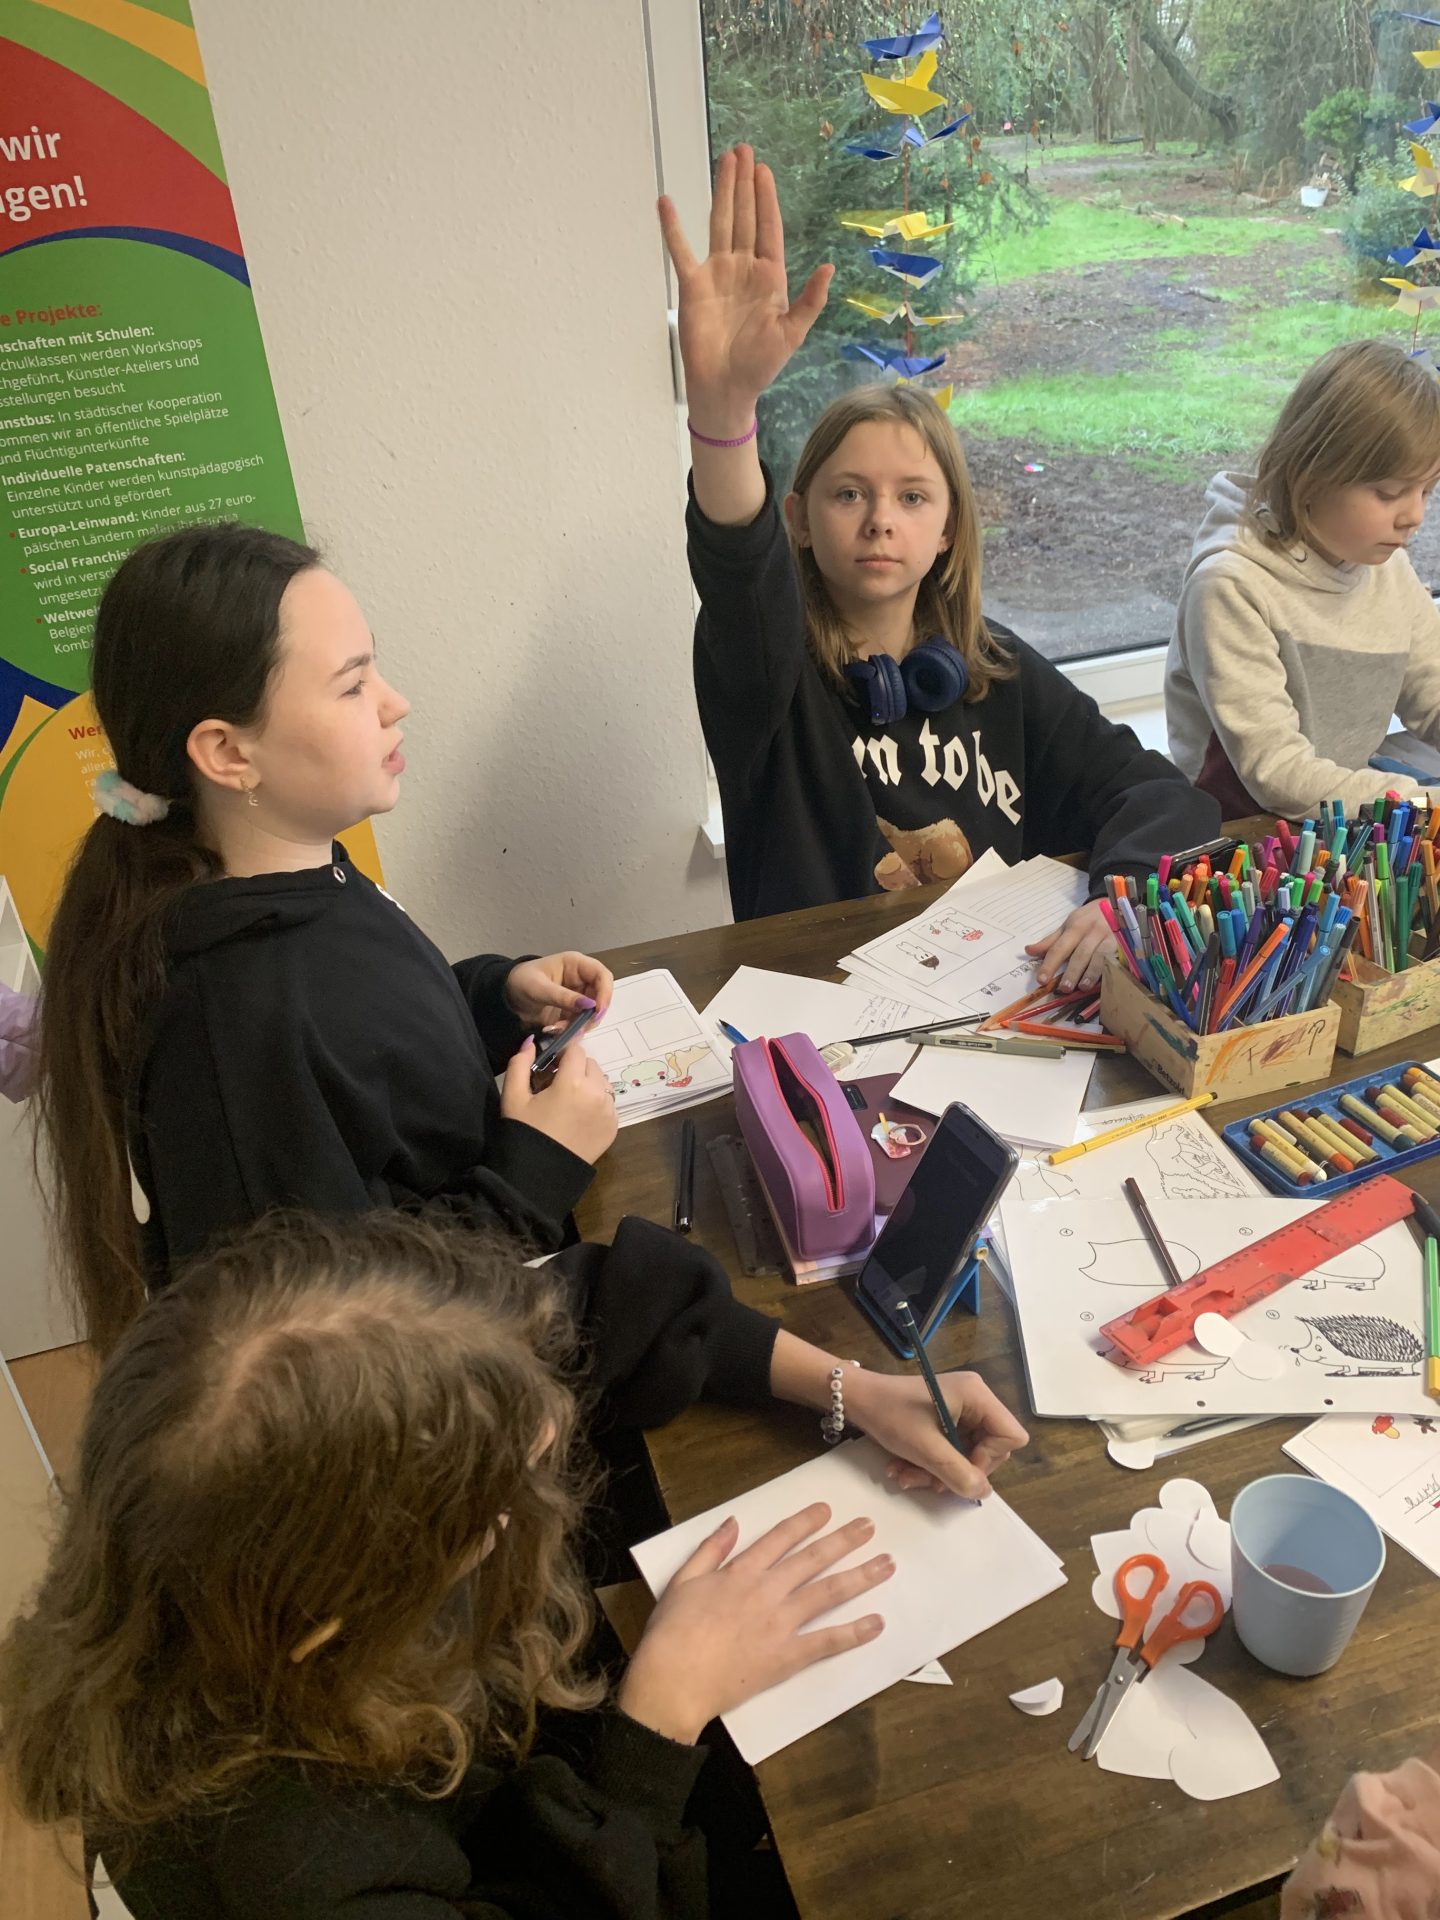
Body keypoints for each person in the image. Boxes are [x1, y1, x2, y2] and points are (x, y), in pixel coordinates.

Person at [0, 1209, 1028, 1919]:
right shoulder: (302, 1869)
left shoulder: (222, 1514)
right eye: (498, 1499)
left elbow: (592, 1301)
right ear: (361, 1602)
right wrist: (662, 1712)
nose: (547, 1432)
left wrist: (849, 1388)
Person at [35, 522, 620, 1356]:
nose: (394, 701)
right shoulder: (230, 1025)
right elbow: (343, 1340)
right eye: (352, 686)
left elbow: (364, 1050)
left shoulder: (310, 877)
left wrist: (496, 997)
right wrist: (535, 1169)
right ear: (228, 752)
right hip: (462, 1383)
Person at [658, 144, 1218, 990]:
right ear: (797, 520)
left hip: (996, 1009)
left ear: (950, 527)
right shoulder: (768, 679)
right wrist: (724, 411)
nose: (881, 519)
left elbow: (1162, 797)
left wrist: (1124, 897)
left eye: (913, 497)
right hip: (822, 1022)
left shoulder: (999, 671)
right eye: (849, 494)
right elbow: (739, 571)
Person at [1166, 338, 1440, 818]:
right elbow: (1278, 774)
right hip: (1242, 828)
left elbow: (1432, 696)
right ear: (1311, 473)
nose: (1413, 516)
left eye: (1428, 491)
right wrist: (1424, 801)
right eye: (1388, 493)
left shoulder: (1388, 566)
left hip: (1339, 807)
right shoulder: (1230, 585)